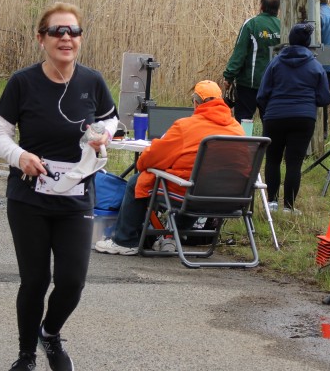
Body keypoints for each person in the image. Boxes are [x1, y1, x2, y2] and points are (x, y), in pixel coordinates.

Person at [0, 2, 118, 371]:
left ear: (80, 39)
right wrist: (19, 156)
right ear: (41, 38)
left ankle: (50, 332)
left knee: (72, 280)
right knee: (34, 281)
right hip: (29, 197)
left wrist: (104, 135)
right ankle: (25, 356)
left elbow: (110, 119)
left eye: (73, 31)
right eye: (57, 31)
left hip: (76, 198)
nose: (66, 38)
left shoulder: (92, 81)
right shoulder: (23, 82)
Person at [95, 80, 244, 255]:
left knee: (136, 182)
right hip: (230, 199)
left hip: (190, 194)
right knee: (194, 186)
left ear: (195, 103)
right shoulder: (237, 128)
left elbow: (152, 158)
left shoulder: (185, 126)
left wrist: (142, 165)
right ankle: (171, 236)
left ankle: (124, 241)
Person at [256, 23, 330, 214]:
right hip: (303, 118)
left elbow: (262, 95)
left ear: (289, 40)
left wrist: (267, 115)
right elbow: (324, 98)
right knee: (294, 163)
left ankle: (272, 202)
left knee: (273, 160)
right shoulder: (315, 66)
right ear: (308, 43)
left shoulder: (275, 63)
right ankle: (289, 207)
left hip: (275, 116)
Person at [223, 0, 281, 122]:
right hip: (273, 83)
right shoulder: (283, 26)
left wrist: (229, 76)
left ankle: (245, 136)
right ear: (278, 8)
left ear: (261, 6)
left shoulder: (251, 24)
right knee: (269, 120)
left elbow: (240, 53)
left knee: (244, 119)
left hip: (249, 83)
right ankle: (269, 136)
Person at [318, 0, 330, 137]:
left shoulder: (317, 15)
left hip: (318, 61)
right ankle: (324, 129)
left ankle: (319, 130)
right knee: (324, 94)